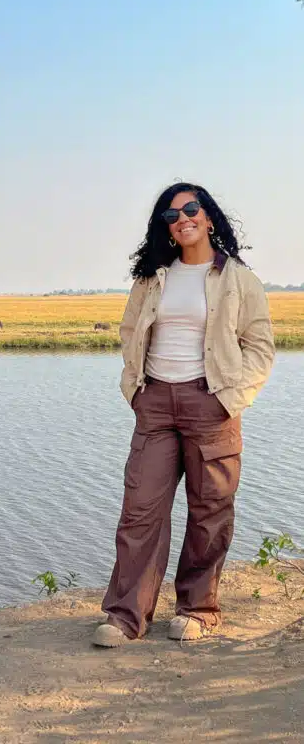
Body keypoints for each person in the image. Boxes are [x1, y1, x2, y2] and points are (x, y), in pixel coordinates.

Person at [93, 182, 274, 647]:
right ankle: (125, 617)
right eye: (171, 215)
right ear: (167, 229)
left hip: (210, 402)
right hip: (154, 402)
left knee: (210, 509)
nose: (183, 218)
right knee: (140, 510)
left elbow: (260, 348)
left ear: (209, 217)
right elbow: (130, 332)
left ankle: (198, 609)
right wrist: (134, 389)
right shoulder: (153, 278)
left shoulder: (238, 279)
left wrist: (229, 400)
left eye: (191, 208)